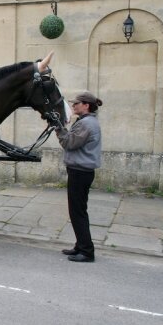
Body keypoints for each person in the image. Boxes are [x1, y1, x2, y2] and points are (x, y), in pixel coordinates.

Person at [56, 91, 103, 263]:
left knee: (78, 212)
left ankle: (87, 251)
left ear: (86, 105)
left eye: (77, 103)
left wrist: (58, 128)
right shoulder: (85, 121)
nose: (73, 106)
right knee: (77, 210)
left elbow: (69, 143)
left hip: (80, 172)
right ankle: (80, 245)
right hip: (80, 171)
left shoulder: (87, 124)